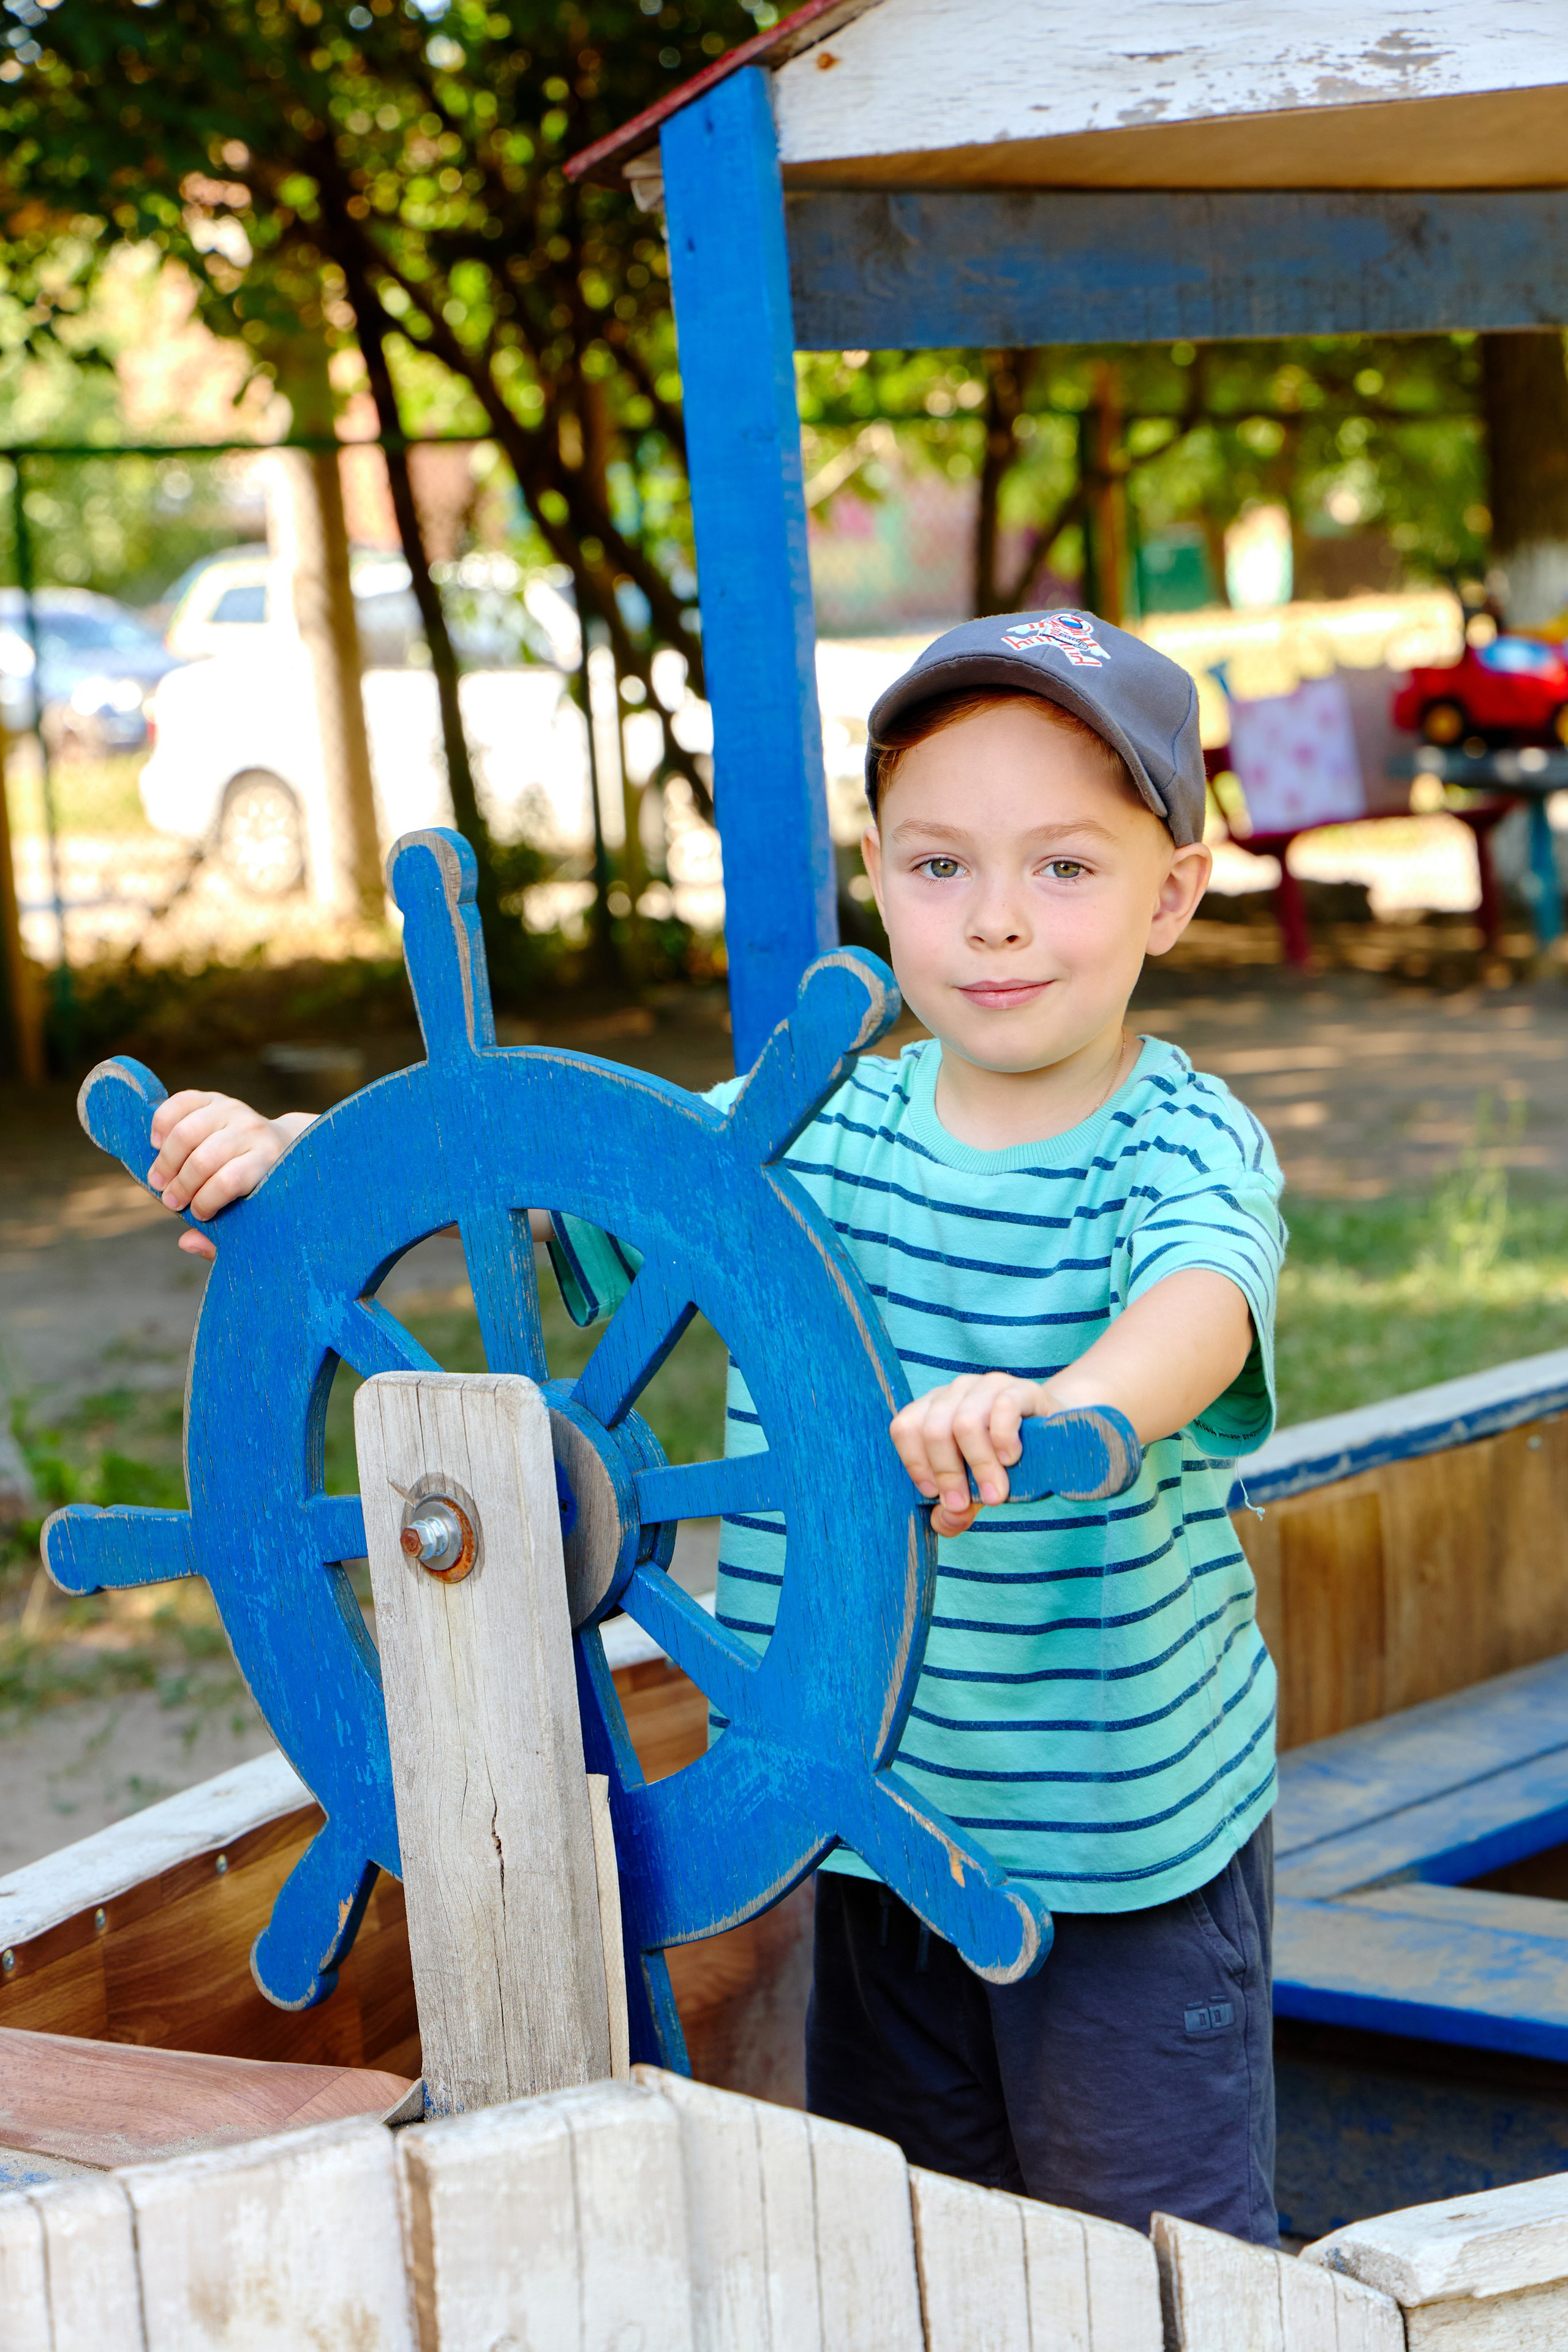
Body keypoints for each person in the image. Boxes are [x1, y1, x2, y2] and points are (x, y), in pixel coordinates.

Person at [145, 610, 1286, 2244]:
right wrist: (313, 1165)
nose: (999, 923)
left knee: (1168, 2260)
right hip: (851, 1811)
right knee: (932, 2242)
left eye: (1067, 869)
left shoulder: (1176, 1144)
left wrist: (1069, 1403)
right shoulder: (816, 1125)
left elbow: (1199, 1310)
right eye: (943, 867)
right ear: (879, 877)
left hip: (1116, 1856)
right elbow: (565, 1166)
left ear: (1171, 892)